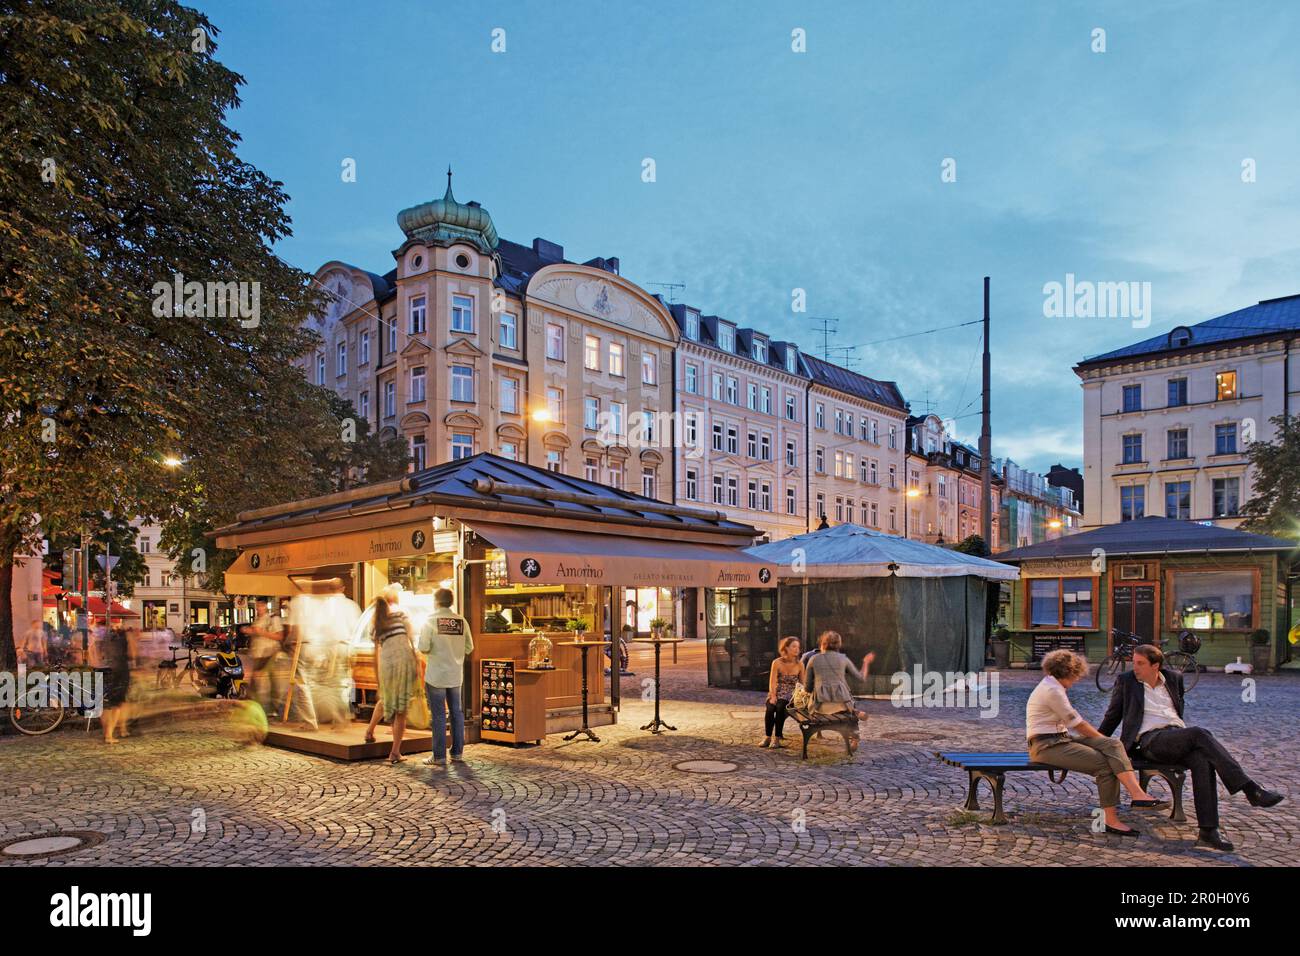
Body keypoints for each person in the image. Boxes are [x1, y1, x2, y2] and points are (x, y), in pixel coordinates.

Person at [1099, 644, 1284, 851]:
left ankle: (1208, 831)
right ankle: (1251, 789)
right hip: (1149, 740)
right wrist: (1096, 743)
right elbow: (1112, 716)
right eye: (1134, 663)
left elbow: (1178, 712)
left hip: (1177, 736)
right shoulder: (1127, 682)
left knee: (1202, 760)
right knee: (1200, 734)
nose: (1135, 668)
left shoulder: (1173, 679)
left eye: (1140, 663)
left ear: (1156, 665)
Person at [1027, 649, 1167, 836]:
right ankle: (1110, 820)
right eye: (1077, 675)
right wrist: (1101, 740)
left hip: (1059, 739)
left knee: (1114, 745)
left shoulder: (1053, 685)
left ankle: (1138, 795)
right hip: (1046, 746)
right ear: (1069, 672)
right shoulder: (1052, 691)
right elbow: (1078, 724)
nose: (1077, 679)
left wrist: (1106, 742)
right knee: (1105, 765)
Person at [417, 588, 474, 768]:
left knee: (439, 715)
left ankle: (439, 756)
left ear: (436, 601)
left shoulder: (430, 620)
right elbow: (469, 647)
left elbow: (424, 647)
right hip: (455, 674)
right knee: (456, 713)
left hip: (436, 675)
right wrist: (455, 654)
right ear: (451, 601)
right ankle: (457, 753)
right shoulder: (461, 620)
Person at [365, 585, 418, 763]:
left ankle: (370, 730)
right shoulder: (401, 616)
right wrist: (417, 663)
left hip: (386, 665)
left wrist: (377, 674)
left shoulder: (375, 626)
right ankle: (395, 752)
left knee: (387, 699)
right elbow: (411, 639)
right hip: (404, 662)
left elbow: (375, 653)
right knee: (401, 709)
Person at [802, 630, 874, 752]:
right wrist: (866, 662)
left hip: (820, 706)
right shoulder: (843, 659)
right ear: (839, 644)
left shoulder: (813, 659)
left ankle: (854, 712)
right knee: (850, 707)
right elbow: (861, 678)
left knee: (815, 703)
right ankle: (855, 734)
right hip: (842, 704)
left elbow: (807, 688)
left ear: (823, 643)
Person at [762, 637, 804, 748]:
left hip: (791, 694)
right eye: (794, 646)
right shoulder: (776, 662)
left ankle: (777, 738)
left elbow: (803, 684)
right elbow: (772, 681)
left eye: (798, 647)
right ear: (786, 648)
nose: (796, 649)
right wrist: (773, 695)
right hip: (777, 690)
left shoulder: (800, 664)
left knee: (781, 707)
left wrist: (800, 698)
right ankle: (767, 737)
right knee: (771, 707)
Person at [249, 598, 286, 716]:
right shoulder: (258, 619)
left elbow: (279, 636)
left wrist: (262, 632)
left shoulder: (273, 618)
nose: (258, 608)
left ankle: (273, 708)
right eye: (257, 606)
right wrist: (250, 631)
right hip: (258, 654)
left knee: (270, 681)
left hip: (270, 653)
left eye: (260, 606)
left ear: (266, 606)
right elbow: (257, 633)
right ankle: (255, 706)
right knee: (256, 681)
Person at [100, 625, 131, 744]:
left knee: (109, 706)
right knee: (116, 706)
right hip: (121, 672)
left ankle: (110, 732)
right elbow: (131, 654)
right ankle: (109, 735)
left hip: (109, 670)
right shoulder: (123, 641)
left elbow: (101, 654)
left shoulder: (107, 640)